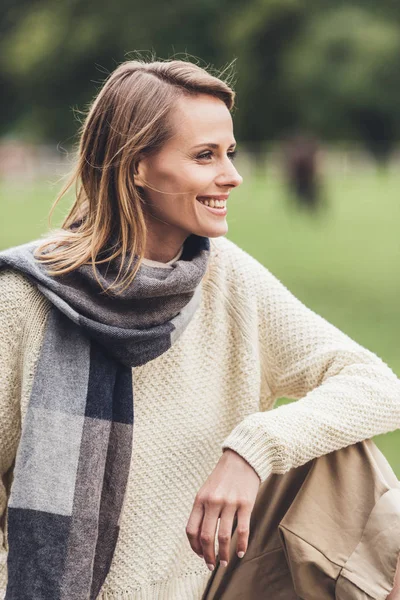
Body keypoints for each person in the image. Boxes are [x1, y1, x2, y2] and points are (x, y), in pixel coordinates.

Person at [0, 58, 399, 600]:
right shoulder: (24, 298)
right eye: (204, 156)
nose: (232, 174)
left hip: (211, 588)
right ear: (136, 167)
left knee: (342, 454)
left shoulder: (226, 277)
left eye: (229, 153)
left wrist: (253, 448)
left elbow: (378, 386)